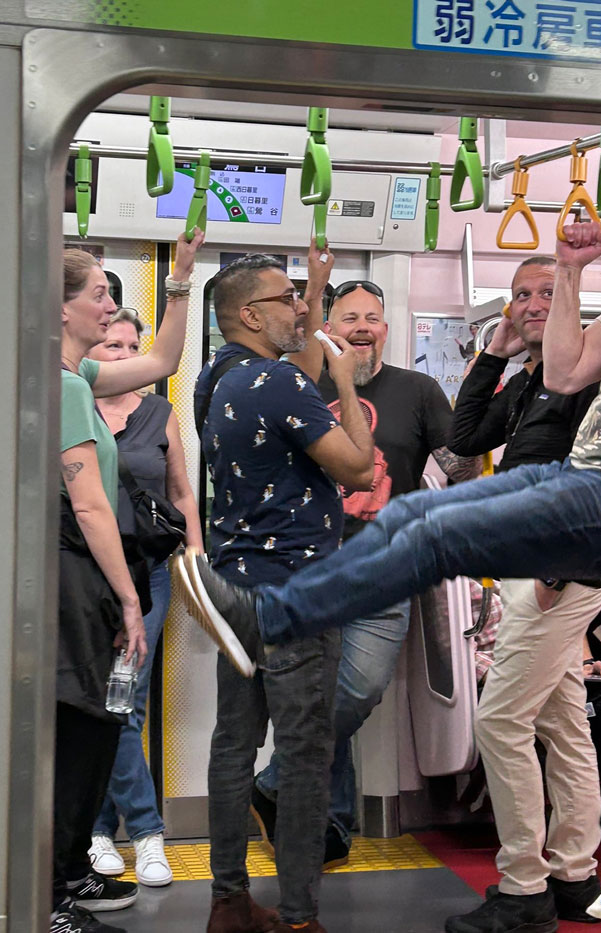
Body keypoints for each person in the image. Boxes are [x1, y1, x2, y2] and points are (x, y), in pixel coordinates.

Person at [182, 165, 601, 921]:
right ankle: (556, 874)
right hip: (579, 478)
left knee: (437, 540)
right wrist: (568, 268)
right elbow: (563, 369)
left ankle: (269, 616)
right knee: (414, 520)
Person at [178, 244, 374, 933]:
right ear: (250, 313)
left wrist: (316, 294)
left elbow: (297, 372)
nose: (299, 307)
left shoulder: (216, 378)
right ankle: (299, 918)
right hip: (298, 592)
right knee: (303, 753)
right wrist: (349, 384)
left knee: (235, 743)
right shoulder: (281, 384)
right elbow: (357, 472)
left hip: (240, 589)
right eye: (287, 298)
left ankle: (227, 899)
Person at [252, 277, 479, 868]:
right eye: (349, 316)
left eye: (372, 318)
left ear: (384, 327)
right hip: (307, 565)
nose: (361, 327)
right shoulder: (298, 383)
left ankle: (275, 782)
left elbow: (460, 469)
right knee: (320, 695)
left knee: (357, 689)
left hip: (386, 565)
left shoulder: (419, 390)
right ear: (328, 324)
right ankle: (328, 825)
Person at [445, 256, 601, 931]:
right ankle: (574, 873)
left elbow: (595, 469)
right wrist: (494, 354)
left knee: (500, 720)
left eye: (547, 291)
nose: (532, 303)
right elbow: (464, 438)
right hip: (531, 562)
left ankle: (522, 886)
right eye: (520, 295)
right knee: (563, 721)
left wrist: (557, 564)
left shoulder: (590, 377)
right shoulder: (530, 382)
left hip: (558, 564)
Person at [56, 230, 203, 933]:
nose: (110, 307)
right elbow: (88, 504)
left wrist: (180, 279)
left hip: (87, 577)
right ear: (60, 310)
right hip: (74, 577)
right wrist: (127, 598)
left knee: (96, 720)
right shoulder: (58, 385)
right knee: (83, 723)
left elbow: (163, 358)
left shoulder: (77, 377)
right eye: (98, 295)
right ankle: (53, 890)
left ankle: (69, 870)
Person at [84, 308, 203, 887]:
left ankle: (115, 832)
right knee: (103, 700)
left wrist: (197, 561)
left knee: (121, 696)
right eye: (112, 344)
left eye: (133, 346)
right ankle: (131, 831)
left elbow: (181, 490)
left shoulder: (159, 412)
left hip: (150, 573)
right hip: (85, 572)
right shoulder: (71, 402)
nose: (124, 355)